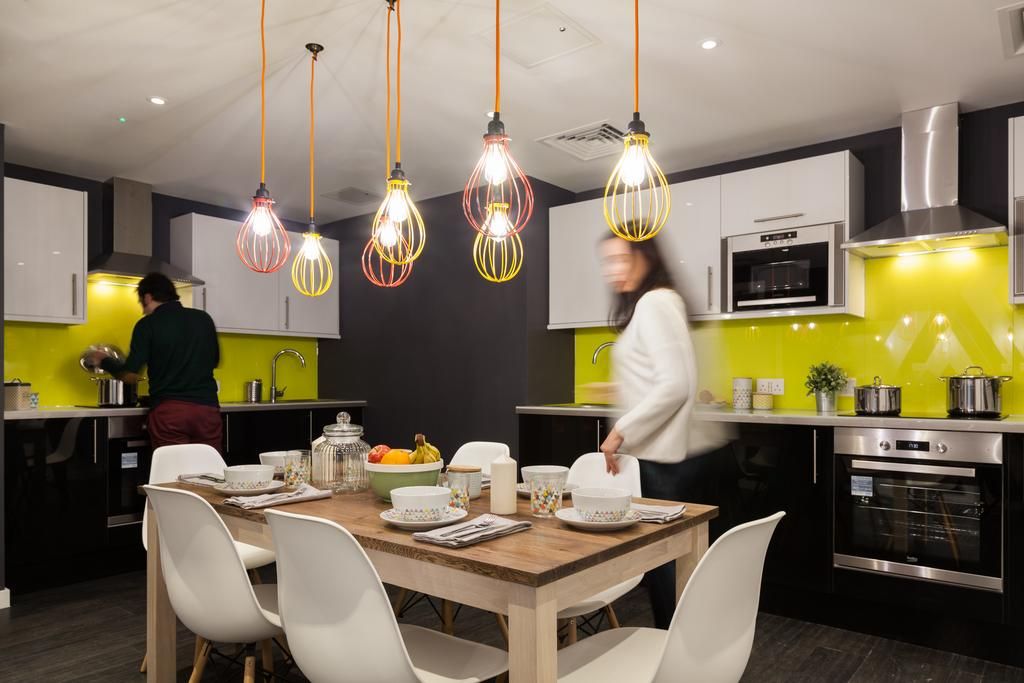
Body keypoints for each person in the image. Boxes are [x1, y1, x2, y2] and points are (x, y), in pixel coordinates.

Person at [597, 232, 718, 630]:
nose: (613, 270)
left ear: (646, 256)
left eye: (621, 258)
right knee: (674, 570)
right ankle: (682, 649)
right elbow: (666, 378)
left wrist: (620, 431)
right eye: (608, 261)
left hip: (664, 461)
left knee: (668, 572)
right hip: (666, 458)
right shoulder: (659, 302)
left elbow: (676, 384)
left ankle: (673, 651)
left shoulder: (654, 303)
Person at [89, 273, 222, 452]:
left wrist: (103, 360)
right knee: (209, 467)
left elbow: (130, 375)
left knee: (173, 468)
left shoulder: (147, 324)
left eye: (141, 304)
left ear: (147, 297)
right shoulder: (203, 319)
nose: (143, 311)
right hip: (207, 411)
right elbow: (215, 361)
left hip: (170, 412)